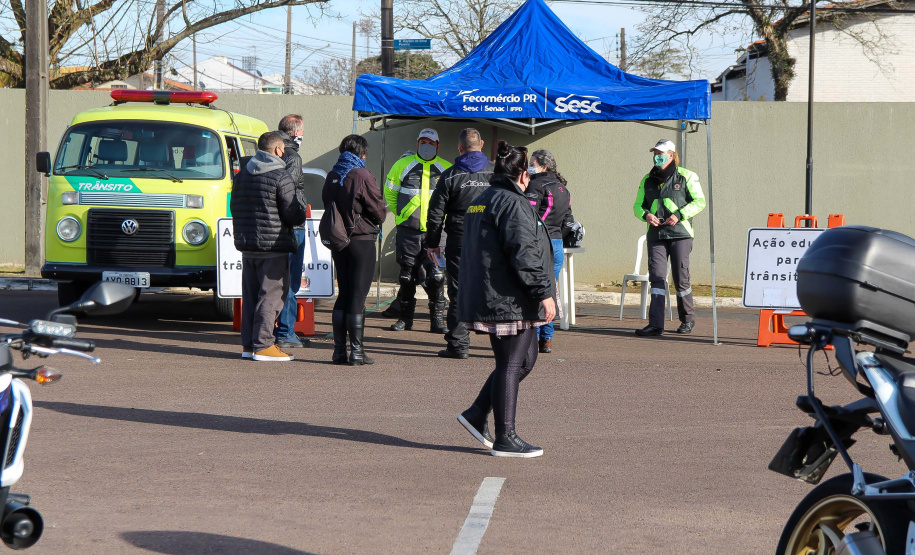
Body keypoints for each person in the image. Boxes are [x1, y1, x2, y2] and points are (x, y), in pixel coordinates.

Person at [456, 141, 557, 458]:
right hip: (507, 297)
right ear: (523, 174)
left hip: (499, 294)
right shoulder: (511, 202)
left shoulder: (483, 199)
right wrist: (544, 293)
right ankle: (505, 437)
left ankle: (477, 413)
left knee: (524, 360)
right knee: (512, 364)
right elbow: (524, 253)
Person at [231, 132, 307, 361]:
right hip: (274, 246)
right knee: (271, 296)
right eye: (283, 149)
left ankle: (249, 345)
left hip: (248, 246)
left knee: (251, 296)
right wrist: (301, 211)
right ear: (277, 150)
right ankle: (264, 345)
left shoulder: (242, 175)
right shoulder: (281, 175)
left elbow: (235, 207)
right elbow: (292, 213)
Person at [426, 128, 494, 359]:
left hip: (460, 240)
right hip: (490, 241)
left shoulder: (450, 175)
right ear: (481, 144)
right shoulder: (495, 173)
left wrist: (433, 242)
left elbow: (435, 213)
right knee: (493, 289)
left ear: (459, 148)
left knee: (458, 291)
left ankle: (458, 344)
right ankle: (500, 344)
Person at [324, 135, 388, 365]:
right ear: (363, 153)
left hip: (339, 241)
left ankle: (339, 351)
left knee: (344, 294)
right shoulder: (362, 175)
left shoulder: (333, 174)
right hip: (361, 240)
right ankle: (357, 352)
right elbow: (379, 212)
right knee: (358, 297)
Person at [632, 139, 707, 336]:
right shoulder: (647, 179)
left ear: (671, 155)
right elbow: (637, 206)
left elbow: (700, 201)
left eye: (661, 153)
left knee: (680, 278)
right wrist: (646, 215)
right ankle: (656, 324)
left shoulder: (687, 176)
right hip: (656, 235)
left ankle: (687, 319)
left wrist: (679, 215)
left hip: (680, 234)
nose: (657, 156)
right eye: (655, 153)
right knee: (657, 278)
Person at [384, 129, 452, 333]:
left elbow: (452, 199)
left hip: (436, 233)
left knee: (437, 276)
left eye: (431, 143)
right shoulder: (402, 165)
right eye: (423, 142)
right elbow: (390, 193)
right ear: (417, 143)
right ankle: (405, 319)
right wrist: (402, 214)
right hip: (409, 231)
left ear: (438, 145)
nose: (427, 146)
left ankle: (437, 321)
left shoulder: (446, 168)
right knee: (406, 276)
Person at [526, 150, 574, 354]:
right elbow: (569, 222)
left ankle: (533, 338)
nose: (529, 167)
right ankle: (547, 339)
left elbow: (528, 216)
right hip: (556, 244)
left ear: (543, 166)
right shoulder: (563, 188)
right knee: (550, 289)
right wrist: (556, 237)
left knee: (536, 289)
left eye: (532, 163)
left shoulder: (535, 185)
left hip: (539, 243)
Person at [274, 114, 310, 350]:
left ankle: (277, 330)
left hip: (272, 227)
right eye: (303, 131)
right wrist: (295, 218)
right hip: (291, 228)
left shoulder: (269, 152)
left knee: (274, 282)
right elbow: (288, 193)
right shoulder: (293, 156)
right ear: (296, 132)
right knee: (290, 283)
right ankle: (286, 332)